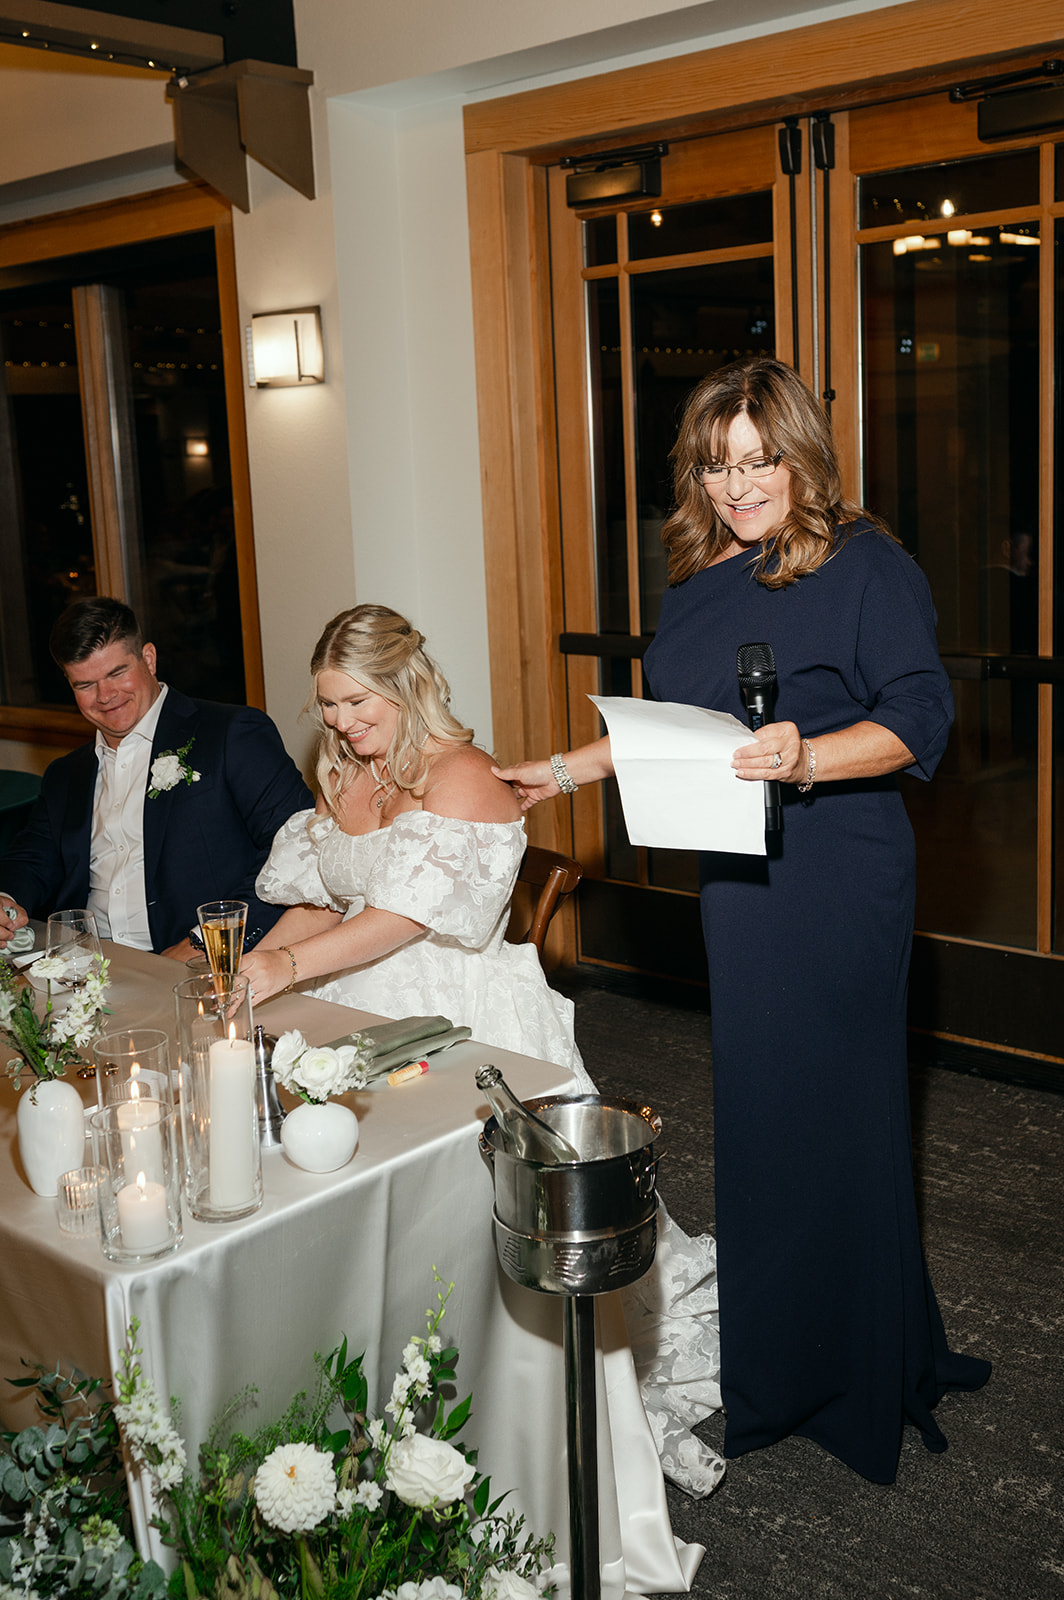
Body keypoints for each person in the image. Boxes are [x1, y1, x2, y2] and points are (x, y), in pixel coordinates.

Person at [495, 356, 991, 1485]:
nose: (738, 485)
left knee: (847, 1117)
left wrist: (807, 755)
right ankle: (781, 1369)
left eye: (758, 459)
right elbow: (676, 724)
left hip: (836, 871)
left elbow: (918, 717)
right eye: (717, 465)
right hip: (741, 879)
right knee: (763, 1116)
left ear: (799, 455)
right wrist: (560, 771)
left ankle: (861, 1374)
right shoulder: (700, 571)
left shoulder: (865, 564)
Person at [243, 604, 724, 1497]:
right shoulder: (343, 770)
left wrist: (289, 965)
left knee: (466, 1217)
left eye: (358, 703)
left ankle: (509, 1384)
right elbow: (325, 900)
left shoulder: (462, 775)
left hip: (455, 1011)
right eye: (328, 707)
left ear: (403, 684)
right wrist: (248, 961)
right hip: (352, 995)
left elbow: (404, 918)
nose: (343, 724)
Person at [0, 597, 311, 959]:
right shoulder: (65, 774)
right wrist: (5, 897)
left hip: (192, 965)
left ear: (148, 658)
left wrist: (204, 941)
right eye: (85, 685)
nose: (105, 696)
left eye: (117, 673)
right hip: (83, 965)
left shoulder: (231, 734)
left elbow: (297, 848)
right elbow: (32, 859)